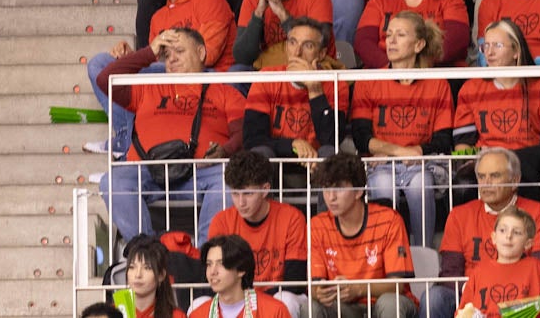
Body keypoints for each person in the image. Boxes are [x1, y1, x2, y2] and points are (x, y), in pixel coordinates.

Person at [84, 0, 236, 155]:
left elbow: (206, 57)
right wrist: (130, 58)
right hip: (168, 82)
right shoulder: (159, 16)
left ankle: (129, 145)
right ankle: (125, 136)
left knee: (139, 75)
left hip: (208, 80)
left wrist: (140, 64)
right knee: (99, 64)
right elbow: (157, 62)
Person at [96, 26, 243, 245]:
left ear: (201, 53)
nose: (172, 59)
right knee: (112, 181)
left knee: (229, 181)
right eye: (166, 55)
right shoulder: (146, 86)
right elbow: (104, 79)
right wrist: (149, 52)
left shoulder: (224, 90)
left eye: (180, 51)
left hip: (202, 170)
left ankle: (206, 259)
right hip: (148, 170)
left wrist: (225, 151)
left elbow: (243, 133)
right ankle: (147, 254)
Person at [348, 12, 454, 248]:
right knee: (383, 183)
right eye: (389, 35)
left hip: (422, 163)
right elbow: (362, 137)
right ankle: (389, 252)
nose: (391, 41)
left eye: (400, 35)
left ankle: (423, 252)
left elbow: (442, 139)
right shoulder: (369, 81)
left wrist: (412, 153)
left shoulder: (438, 84)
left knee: (421, 184)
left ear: (419, 44)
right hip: (380, 163)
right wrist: (400, 152)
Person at [435, 148, 540, 318]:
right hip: (471, 295)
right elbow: (449, 273)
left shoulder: (539, 213)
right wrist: (474, 290)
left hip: (522, 296)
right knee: (434, 298)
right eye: (482, 177)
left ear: (515, 180)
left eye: (495, 176)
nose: (486, 183)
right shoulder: (459, 215)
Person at [307, 151, 417, 318]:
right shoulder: (317, 225)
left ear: (358, 192)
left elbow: (397, 285)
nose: (331, 197)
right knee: (311, 307)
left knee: (389, 303)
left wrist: (358, 288)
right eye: (326, 188)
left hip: (384, 302)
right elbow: (314, 286)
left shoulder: (389, 220)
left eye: (339, 189)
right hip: (344, 306)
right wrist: (320, 292)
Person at [454, 20, 540, 182]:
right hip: (485, 167)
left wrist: (511, 160)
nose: (489, 53)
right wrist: (486, 158)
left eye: (497, 45)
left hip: (528, 168)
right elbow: (461, 148)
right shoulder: (470, 89)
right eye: (486, 46)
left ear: (516, 51)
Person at [209, 152, 309, 318]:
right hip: (234, 298)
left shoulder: (292, 218)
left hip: (279, 296)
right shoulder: (221, 221)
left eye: (248, 194)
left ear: (265, 190)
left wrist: (254, 300)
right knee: (198, 304)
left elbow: (295, 282)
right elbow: (215, 276)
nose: (241, 202)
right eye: (235, 193)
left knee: (285, 300)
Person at [242, 17, 337, 158]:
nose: (297, 52)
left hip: (317, 164)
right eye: (292, 43)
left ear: (322, 54)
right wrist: (293, 144)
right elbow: (253, 139)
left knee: (329, 153)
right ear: (286, 47)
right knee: (260, 154)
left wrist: (315, 90)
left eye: (308, 46)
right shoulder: (266, 78)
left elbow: (331, 140)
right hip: (276, 159)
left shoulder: (336, 83)